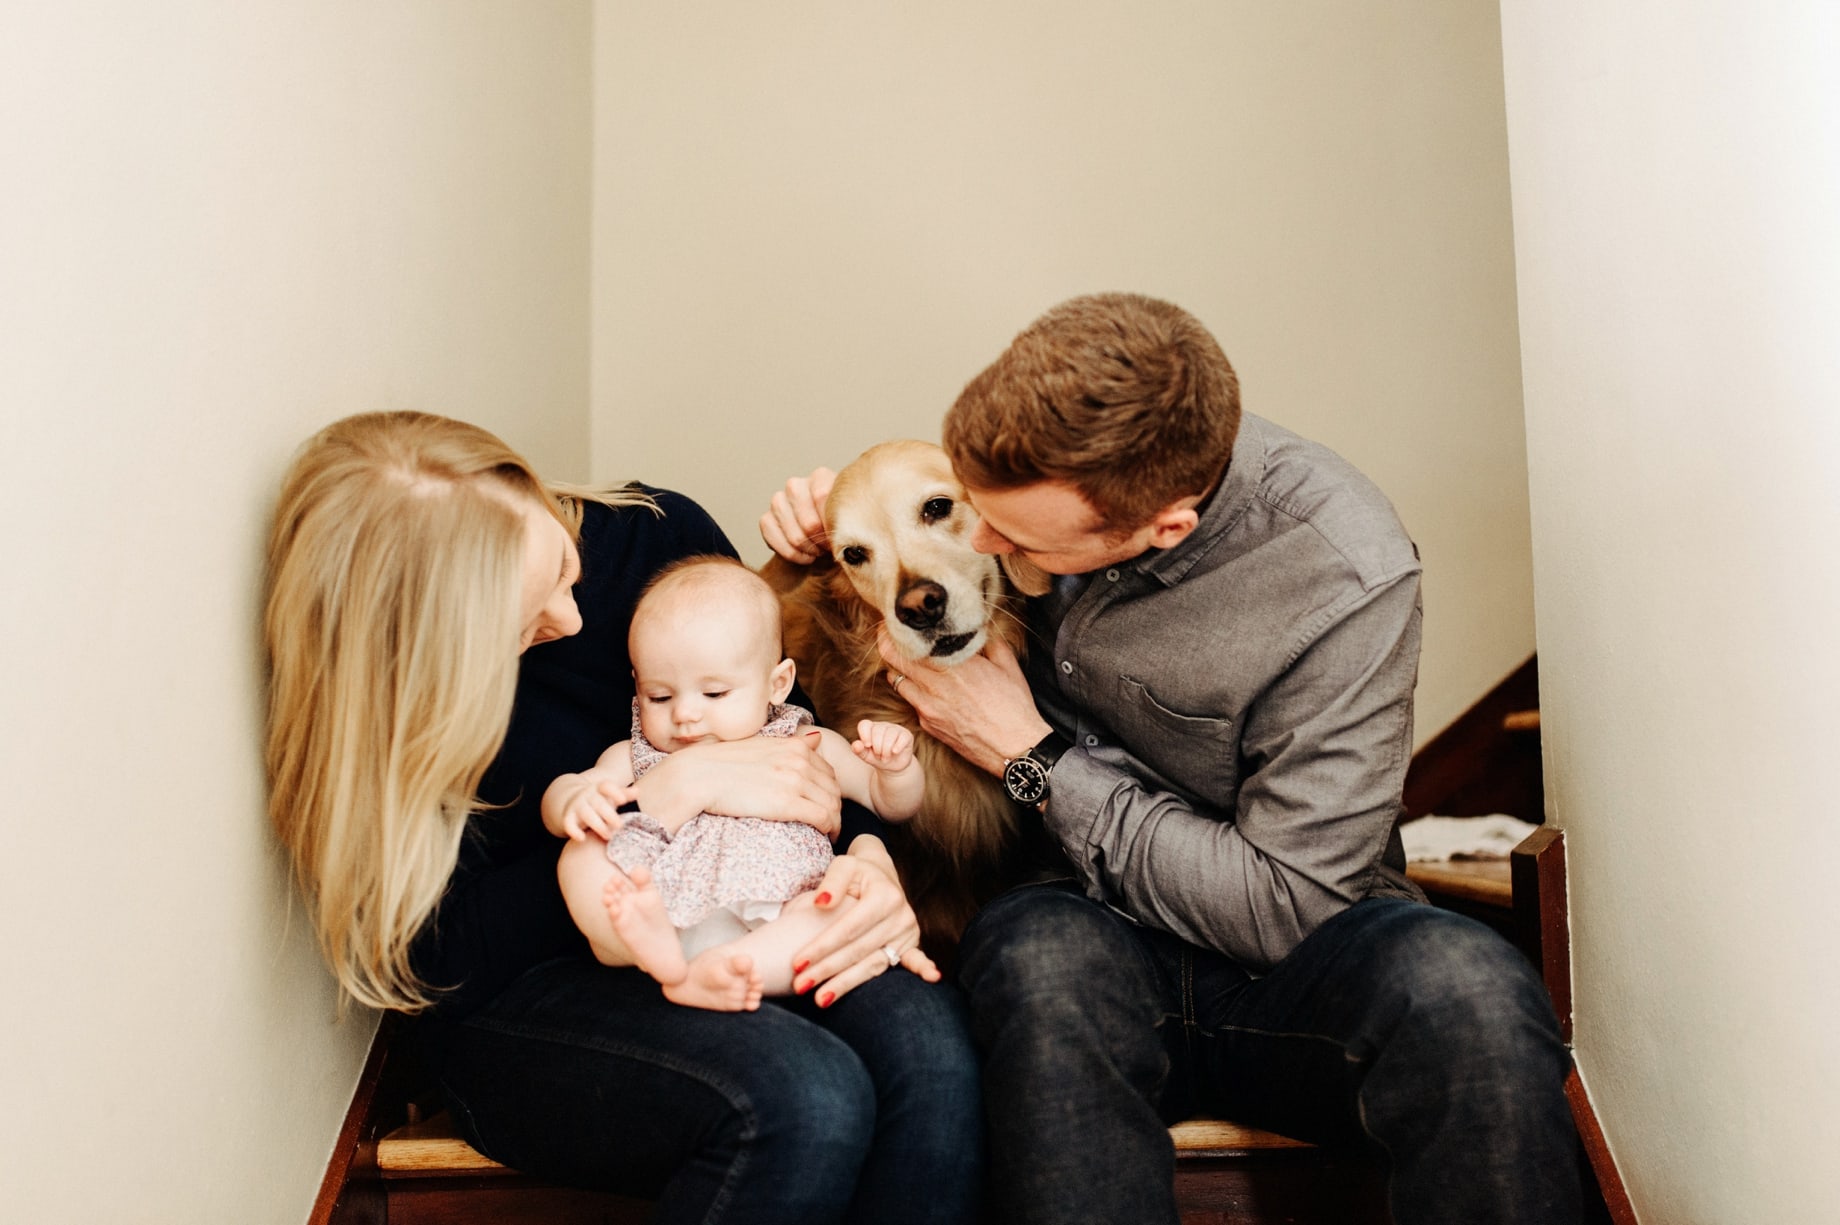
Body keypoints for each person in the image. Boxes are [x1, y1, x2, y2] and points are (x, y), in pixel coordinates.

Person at [762, 293, 1581, 1225]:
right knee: (1033, 958)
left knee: (1471, 988)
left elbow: (1287, 904)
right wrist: (800, 551)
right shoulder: (1052, 475)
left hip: (1295, 952)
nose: (981, 547)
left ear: (1163, 528)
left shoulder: (1345, 575)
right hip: (1077, 924)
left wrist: (1030, 755)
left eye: (1016, 540)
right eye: (972, 509)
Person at [265, 411, 981, 1225]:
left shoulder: (653, 535)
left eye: (564, 568)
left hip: (750, 903)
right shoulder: (390, 694)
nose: (570, 622)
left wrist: (868, 859)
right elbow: (436, 960)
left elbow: (799, 736)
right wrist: (670, 796)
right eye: (522, 623)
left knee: (931, 1055)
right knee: (805, 1096)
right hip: (528, 990)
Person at [544, 555, 936, 1011]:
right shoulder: (636, 755)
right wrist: (572, 800)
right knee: (580, 855)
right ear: (637, 685)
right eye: (660, 695)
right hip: (662, 902)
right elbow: (570, 790)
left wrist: (895, 769)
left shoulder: (805, 740)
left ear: (778, 683)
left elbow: (889, 803)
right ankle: (648, 949)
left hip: (783, 913)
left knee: (836, 911)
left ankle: (721, 968)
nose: (685, 714)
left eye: (714, 693)